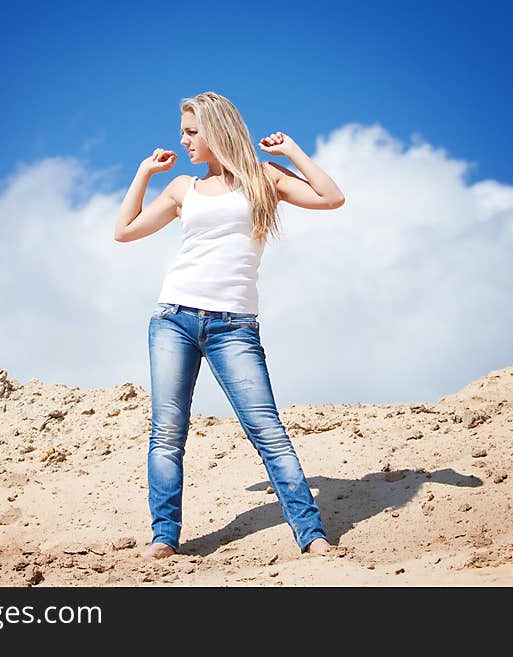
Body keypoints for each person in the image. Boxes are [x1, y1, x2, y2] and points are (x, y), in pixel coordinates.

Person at [114, 91, 345, 560]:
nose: (184, 140)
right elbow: (124, 230)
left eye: (192, 131)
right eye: (184, 130)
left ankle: (311, 534)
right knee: (167, 433)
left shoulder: (264, 179)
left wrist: (291, 151)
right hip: (173, 318)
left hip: (234, 326)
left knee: (267, 429)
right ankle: (164, 538)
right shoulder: (182, 188)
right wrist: (144, 173)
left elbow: (332, 197)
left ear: (218, 131)